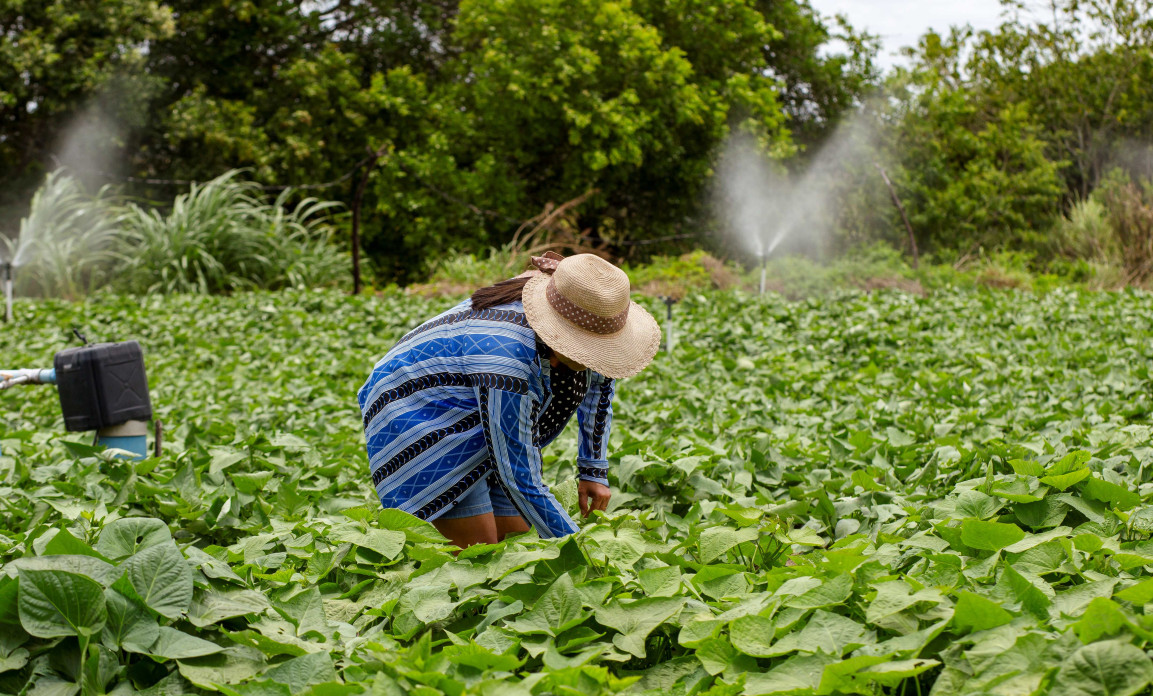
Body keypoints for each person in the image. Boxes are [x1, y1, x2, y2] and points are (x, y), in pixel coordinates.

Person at [357, 252, 660, 548]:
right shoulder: (506, 357)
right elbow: (516, 473)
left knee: (520, 548)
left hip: (489, 409)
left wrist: (593, 469)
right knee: (478, 559)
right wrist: (578, 549)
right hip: (421, 410)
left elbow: (599, 387)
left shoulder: (591, 314)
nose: (593, 357)